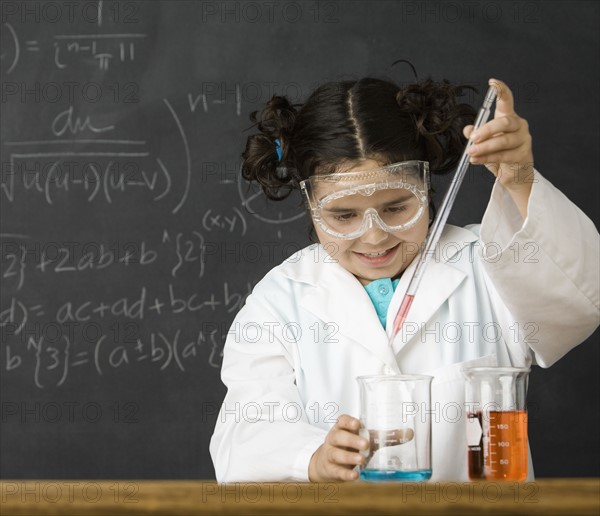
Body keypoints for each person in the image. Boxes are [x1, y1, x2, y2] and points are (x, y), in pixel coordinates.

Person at [209, 77, 599, 482]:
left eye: (396, 207)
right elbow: (245, 432)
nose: (375, 236)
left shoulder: (488, 263)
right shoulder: (280, 301)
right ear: (311, 205)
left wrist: (520, 179)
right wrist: (310, 458)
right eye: (344, 215)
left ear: (425, 185)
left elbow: (581, 301)